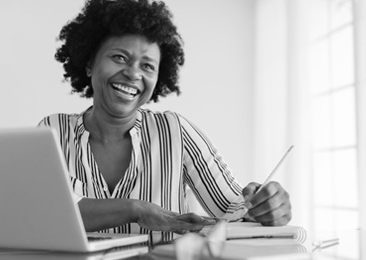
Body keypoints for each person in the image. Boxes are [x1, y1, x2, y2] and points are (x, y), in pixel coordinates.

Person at [38, 0, 292, 237]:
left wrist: (264, 206)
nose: (132, 73)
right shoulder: (53, 131)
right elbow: (45, 212)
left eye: (147, 66)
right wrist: (136, 209)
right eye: (119, 57)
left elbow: (232, 210)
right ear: (90, 64)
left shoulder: (175, 130)